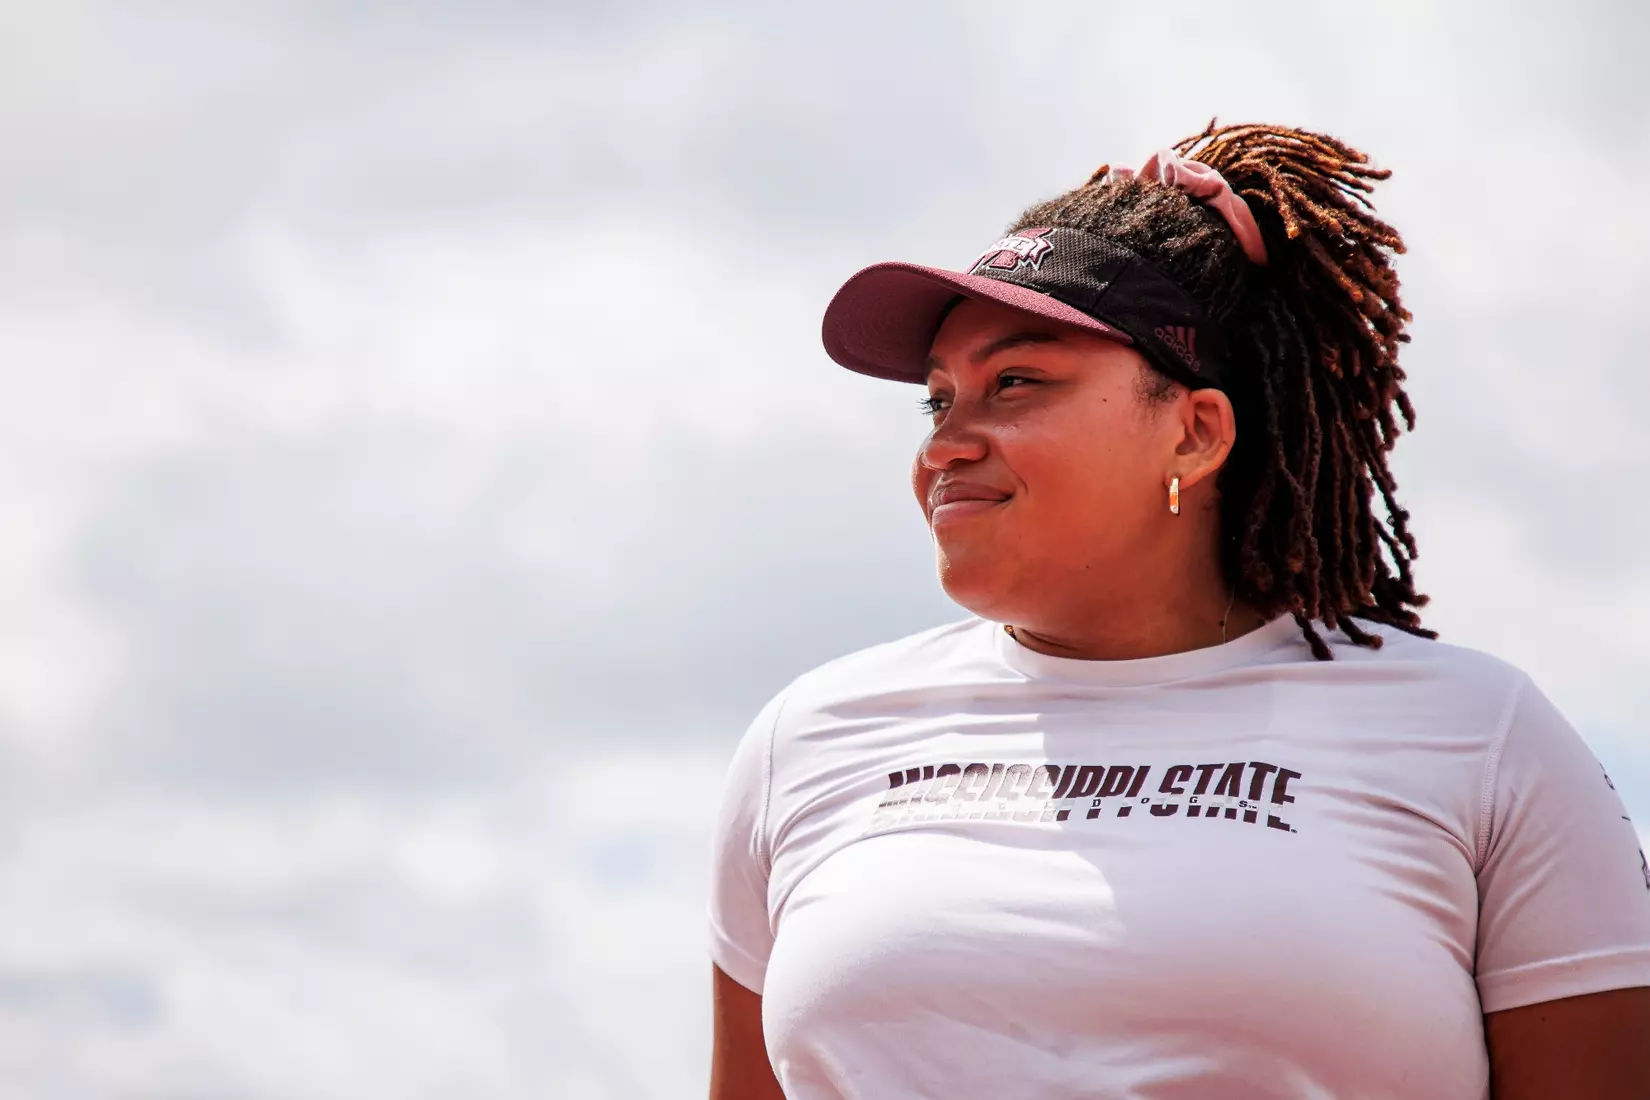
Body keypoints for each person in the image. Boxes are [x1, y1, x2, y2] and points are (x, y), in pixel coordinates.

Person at [704, 122, 1650, 1100]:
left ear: (1196, 433)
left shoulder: (1481, 738)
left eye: (1015, 382)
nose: (946, 444)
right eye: (939, 400)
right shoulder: (807, 740)